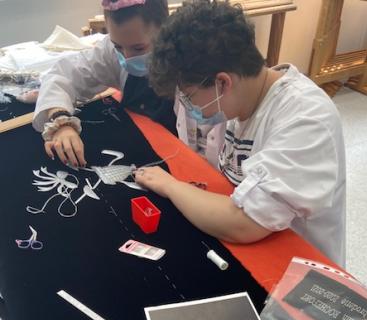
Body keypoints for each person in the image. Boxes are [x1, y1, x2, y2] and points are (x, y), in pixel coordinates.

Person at [135, 0, 346, 266]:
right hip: (258, 250)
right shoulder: (241, 101)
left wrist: (169, 186)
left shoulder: (307, 118)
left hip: (301, 269)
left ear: (223, 82)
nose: (190, 108)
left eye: (189, 98)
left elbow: (244, 223)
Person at [33, 0, 224, 170]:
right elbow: (63, 74)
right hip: (138, 147)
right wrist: (61, 121)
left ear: (165, 30)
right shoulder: (114, 49)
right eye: (118, 46)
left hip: (179, 162)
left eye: (139, 48)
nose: (127, 56)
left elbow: (212, 153)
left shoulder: (196, 69)